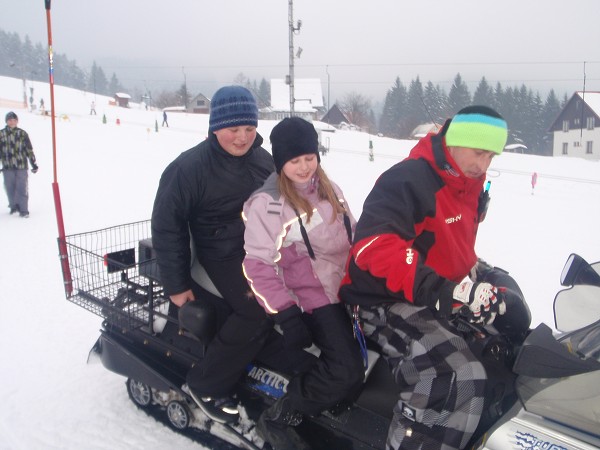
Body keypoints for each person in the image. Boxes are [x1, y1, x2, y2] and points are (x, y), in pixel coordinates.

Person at [339, 105, 509, 450]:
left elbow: (452, 245)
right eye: (478, 152)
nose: (483, 165)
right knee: (455, 375)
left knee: (505, 351)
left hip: (433, 292)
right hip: (383, 298)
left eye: (491, 156)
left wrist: (481, 277)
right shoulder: (409, 179)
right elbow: (374, 246)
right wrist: (443, 289)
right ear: (455, 141)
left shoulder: (468, 182)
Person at [151, 86, 274, 424]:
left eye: (249, 129)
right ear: (216, 125)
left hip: (261, 247)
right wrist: (176, 285)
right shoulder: (188, 168)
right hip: (219, 253)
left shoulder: (264, 161)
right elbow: (167, 227)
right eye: (234, 129)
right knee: (258, 309)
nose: (242, 138)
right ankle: (206, 383)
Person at [243, 117, 365, 449]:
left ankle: (330, 408)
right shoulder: (269, 205)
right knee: (346, 368)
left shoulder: (329, 188)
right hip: (312, 296)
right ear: (280, 161)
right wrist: (285, 312)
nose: (303, 167)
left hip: (346, 285)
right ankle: (281, 415)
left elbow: (355, 233)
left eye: (309, 157)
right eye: (294, 160)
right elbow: (257, 265)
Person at [0, 111, 38, 218]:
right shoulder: (1, 134)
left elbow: (29, 150)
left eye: (14, 120)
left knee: (22, 188)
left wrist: (33, 164)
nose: (12, 122)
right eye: (10, 120)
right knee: (9, 188)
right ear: (6, 121)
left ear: (17, 121)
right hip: (7, 166)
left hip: (21, 165)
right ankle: (13, 206)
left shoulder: (22, 134)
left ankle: (24, 209)